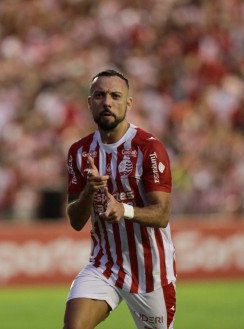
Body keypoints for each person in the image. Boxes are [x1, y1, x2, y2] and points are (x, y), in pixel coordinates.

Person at [63, 69, 176, 329]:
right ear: (90, 102)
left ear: (129, 103)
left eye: (115, 95)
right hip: (104, 265)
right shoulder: (79, 152)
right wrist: (89, 192)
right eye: (100, 95)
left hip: (150, 272)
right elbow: (76, 221)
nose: (107, 102)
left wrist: (123, 209)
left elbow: (162, 215)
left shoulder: (149, 147)